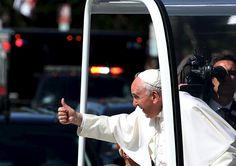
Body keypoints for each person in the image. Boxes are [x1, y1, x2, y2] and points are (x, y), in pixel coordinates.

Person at [58, 69, 236, 166]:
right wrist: (79, 118)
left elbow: (226, 152)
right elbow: (114, 126)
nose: (134, 103)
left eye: (136, 96)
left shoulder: (188, 108)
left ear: (154, 96)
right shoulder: (146, 113)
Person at [207, 54, 236, 128]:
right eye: (219, 73)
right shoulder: (200, 109)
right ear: (211, 77)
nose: (226, 78)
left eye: (232, 73)